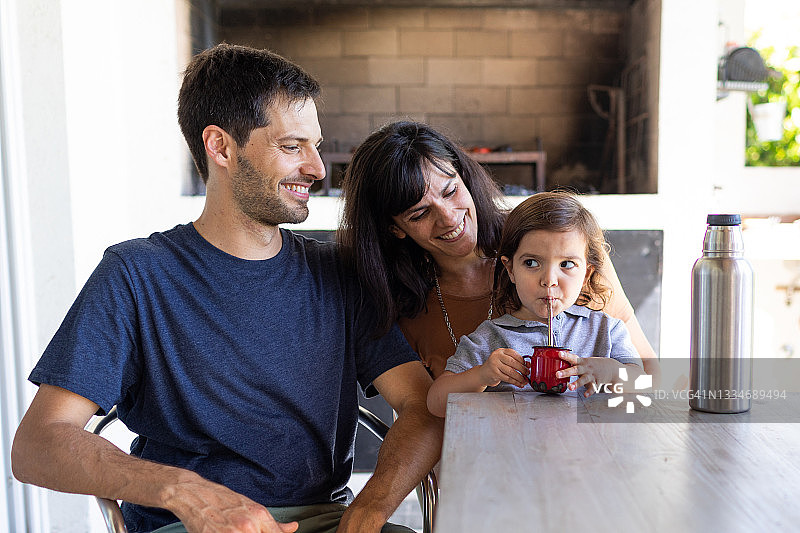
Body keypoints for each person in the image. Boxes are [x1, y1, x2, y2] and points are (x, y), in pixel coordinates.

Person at [11, 44, 442, 533]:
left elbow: (420, 406)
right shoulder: (136, 275)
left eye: (316, 146)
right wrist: (187, 494)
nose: (319, 169)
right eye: (292, 146)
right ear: (221, 146)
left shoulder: (339, 273)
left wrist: (370, 508)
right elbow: (38, 443)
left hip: (326, 522)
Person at [337, 121, 660, 385]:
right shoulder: (397, 298)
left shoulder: (554, 242)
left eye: (451, 191)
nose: (450, 218)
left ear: (465, 176)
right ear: (394, 228)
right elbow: (422, 412)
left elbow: (648, 377)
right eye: (419, 214)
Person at [426, 191, 645, 416]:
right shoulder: (491, 339)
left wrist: (613, 373)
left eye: (567, 264)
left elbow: (642, 387)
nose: (549, 280)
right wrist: (482, 375)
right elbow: (436, 403)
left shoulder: (605, 330)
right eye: (531, 263)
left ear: (586, 274)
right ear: (510, 269)